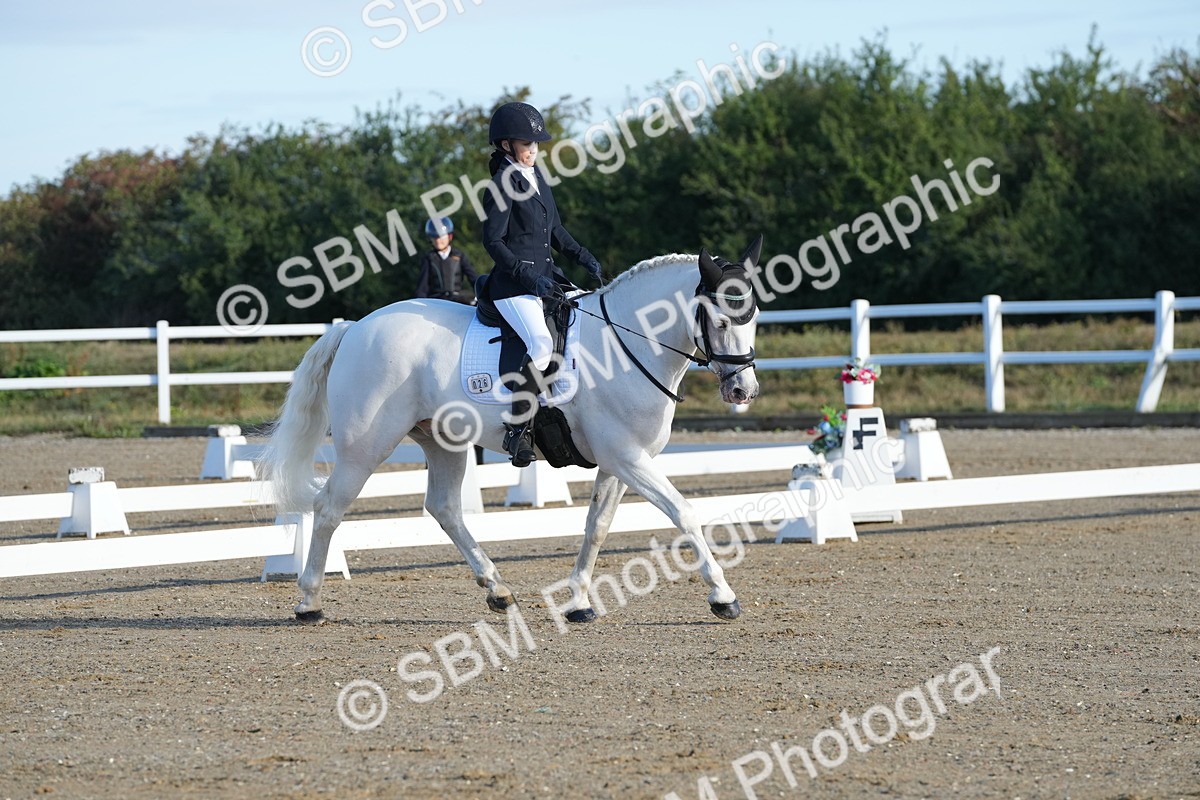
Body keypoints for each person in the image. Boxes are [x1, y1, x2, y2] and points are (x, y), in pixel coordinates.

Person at [481, 101, 604, 467]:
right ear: (506, 145)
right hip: (513, 286)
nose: (533, 149)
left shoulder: (537, 176)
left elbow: (555, 231)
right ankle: (516, 429)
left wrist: (583, 255)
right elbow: (493, 241)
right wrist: (526, 276)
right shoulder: (501, 185)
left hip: (547, 279)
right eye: (526, 144)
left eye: (536, 143)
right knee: (541, 343)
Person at [415, 217, 479, 303]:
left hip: (457, 300)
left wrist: (482, 295)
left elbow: (473, 278)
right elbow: (422, 287)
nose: (438, 241)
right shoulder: (428, 258)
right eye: (434, 237)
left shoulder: (459, 256)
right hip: (436, 301)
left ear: (450, 236)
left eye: (441, 237)